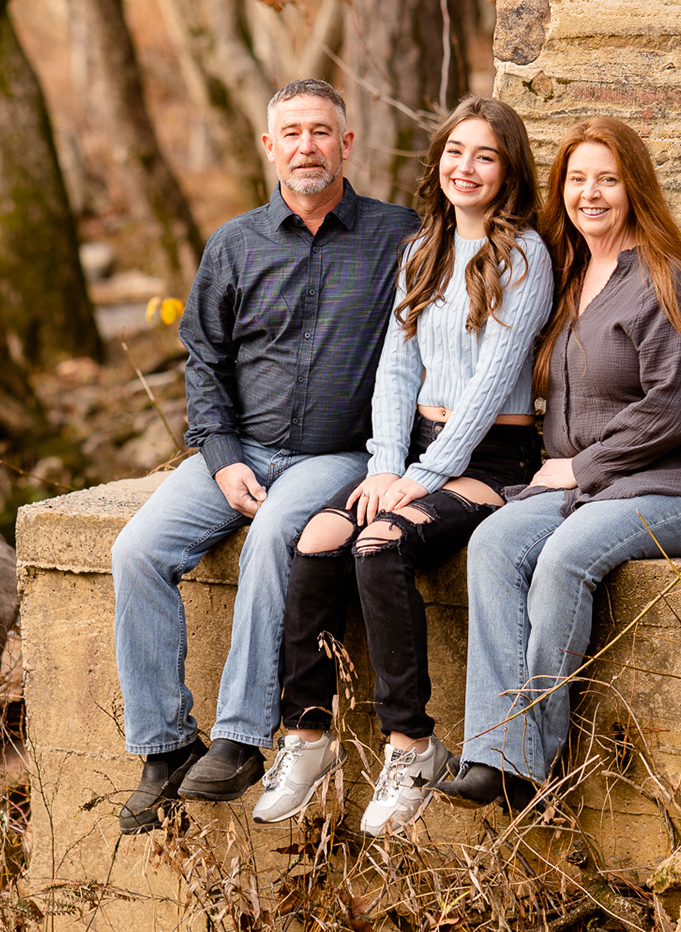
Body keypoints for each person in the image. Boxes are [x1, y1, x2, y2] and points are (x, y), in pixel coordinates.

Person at [109, 77, 418, 834]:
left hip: (336, 454)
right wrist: (219, 455)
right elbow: (204, 361)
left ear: (348, 144)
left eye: (322, 131)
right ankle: (165, 746)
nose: (307, 146)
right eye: (293, 133)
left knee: (277, 532)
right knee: (135, 551)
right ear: (269, 145)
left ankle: (244, 736)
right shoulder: (235, 243)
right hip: (238, 449)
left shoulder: (399, 237)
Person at [251, 96, 554, 835]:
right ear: (438, 163)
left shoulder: (525, 256)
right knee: (319, 539)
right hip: (416, 449)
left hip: (492, 458)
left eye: (485, 156)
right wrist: (389, 464)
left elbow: (489, 386)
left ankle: (412, 745)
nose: (466, 168)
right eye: (455, 152)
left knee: (379, 544)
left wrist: (418, 478)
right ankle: (307, 736)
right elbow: (395, 369)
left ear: (508, 169)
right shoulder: (422, 251)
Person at [436, 116, 681, 811]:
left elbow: (679, 405)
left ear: (634, 187)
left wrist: (583, 465)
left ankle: (526, 764)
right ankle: (498, 751)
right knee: (493, 542)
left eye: (607, 179)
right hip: (595, 483)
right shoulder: (570, 273)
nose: (590, 194)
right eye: (577, 180)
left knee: (565, 556)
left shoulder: (666, 279)